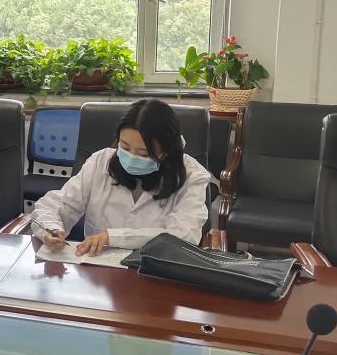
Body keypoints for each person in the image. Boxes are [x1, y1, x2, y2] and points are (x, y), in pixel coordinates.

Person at [32, 98, 210, 256]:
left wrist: (113, 237)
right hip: (98, 270)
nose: (131, 157)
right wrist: (51, 229)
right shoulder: (100, 162)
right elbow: (59, 204)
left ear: (166, 151)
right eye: (124, 147)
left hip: (156, 270)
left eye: (143, 153)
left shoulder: (192, 175)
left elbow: (184, 235)